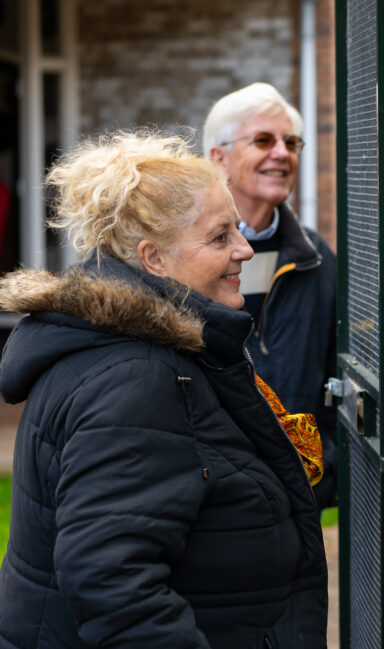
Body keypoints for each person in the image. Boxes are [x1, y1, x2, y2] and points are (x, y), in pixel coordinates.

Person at [0, 131, 328, 648]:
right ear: (153, 259)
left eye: (237, 231)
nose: (244, 250)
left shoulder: (159, 352)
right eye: (220, 237)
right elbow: (112, 582)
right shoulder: (137, 378)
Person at [203, 83, 337, 509]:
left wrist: (320, 470)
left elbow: (344, 380)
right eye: (263, 140)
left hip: (292, 498)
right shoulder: (178, 261)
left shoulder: (318, 262)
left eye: (291, 142)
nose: (282, 153)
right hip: (207, 496)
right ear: (218, 158)